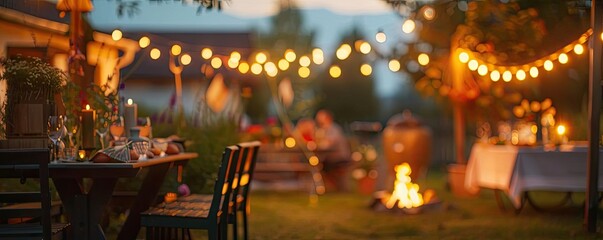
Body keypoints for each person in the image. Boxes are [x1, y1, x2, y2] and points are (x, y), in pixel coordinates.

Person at [315, 110, 351, 192]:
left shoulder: (333, 129)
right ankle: (327, 187)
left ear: (328, 118)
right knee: (318, 164)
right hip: (330, 157)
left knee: (319, 165)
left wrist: (318, 144)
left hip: (339, 158)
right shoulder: (323, 130)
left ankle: (327, 187)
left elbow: (328, 144)